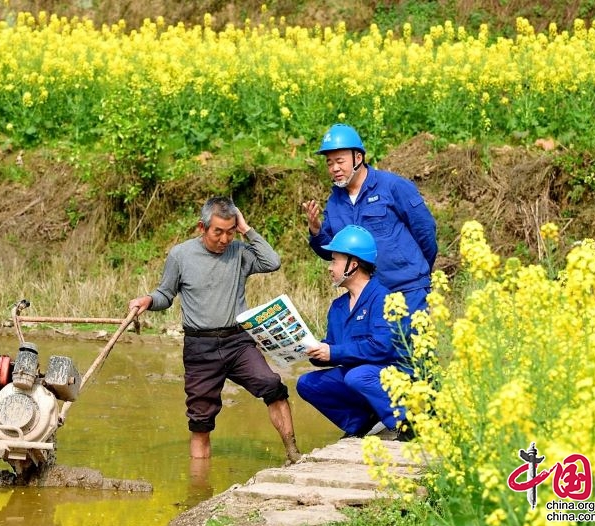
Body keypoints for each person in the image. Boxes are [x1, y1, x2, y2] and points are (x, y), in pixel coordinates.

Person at [128, 196, 302, 463]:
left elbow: (272, 262)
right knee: (200, 421)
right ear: (202, 227)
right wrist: (148, 301)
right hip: (200, 348)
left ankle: (293, 453)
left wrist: (246, 230)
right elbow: (165, 293)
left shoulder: (239, 253)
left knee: (271, 385)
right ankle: (199, 489)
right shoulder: (181, 255)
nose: (224, 240)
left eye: (229, 232)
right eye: (217, 232)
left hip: (238, 342)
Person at [302, 123, 438, 314]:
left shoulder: (393, 186)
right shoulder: (335, 202)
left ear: (358, 157)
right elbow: (332, 254)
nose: (334, 168)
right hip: (368, 299)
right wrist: (316, 230)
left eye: (340, 161)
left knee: (411, 344)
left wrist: (417, 272)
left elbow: (425, 231)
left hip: (408, 291)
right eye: (330, 163)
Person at [296, 225, 413, 439]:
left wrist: (333, 352)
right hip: (358, 376)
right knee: (306, 383)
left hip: (392, 374)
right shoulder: (338, 307)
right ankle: (360, 422)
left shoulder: (384, 299)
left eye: (334, 261)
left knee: (357, 376)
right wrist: (314, 351)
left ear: (353, 264)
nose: (330, 268)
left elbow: (382, 347)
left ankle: (406, 423)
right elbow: (335, 347)